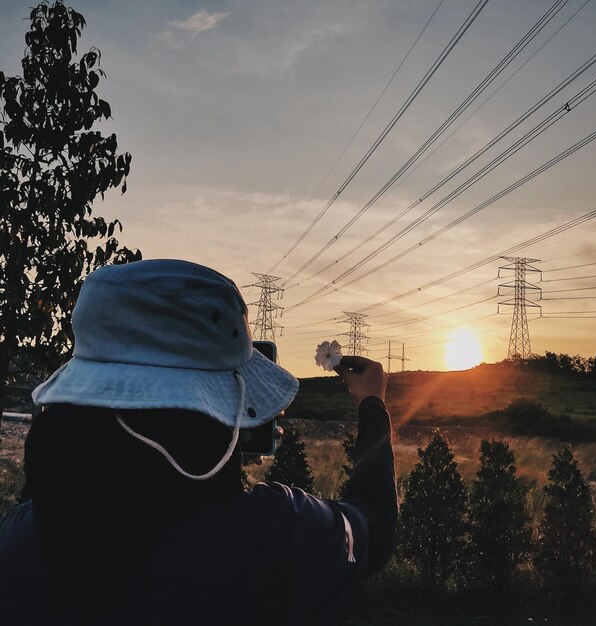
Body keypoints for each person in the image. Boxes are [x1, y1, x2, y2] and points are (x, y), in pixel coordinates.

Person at [0, 259, 397, 626]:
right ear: (222, 410)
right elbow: (372, 526)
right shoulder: (280, 534)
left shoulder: (22, 538)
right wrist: (373, 406)